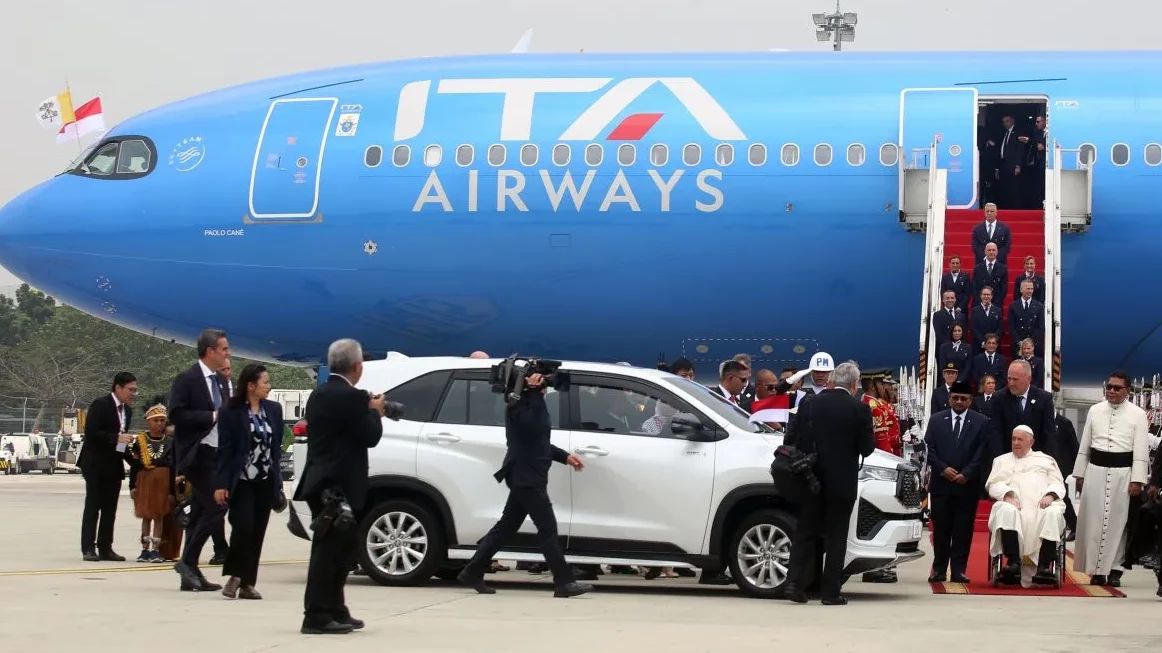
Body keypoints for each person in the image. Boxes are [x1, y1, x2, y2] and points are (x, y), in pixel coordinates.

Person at [457, 370, 593, 598]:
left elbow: (538, 442)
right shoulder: (518, 405)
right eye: (541, 380)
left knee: (506, 527)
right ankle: (563, 582)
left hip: (527, 475)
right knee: (547, 529)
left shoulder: (529, 403)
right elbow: (532, 429)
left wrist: (564, 456)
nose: (546, 385)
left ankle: (472, 571)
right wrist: (533, 393)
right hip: (526, 478)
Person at [295, 339, 388, 634]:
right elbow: (370, 435)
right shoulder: (350, 398)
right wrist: (375, 411)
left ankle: (335, 608)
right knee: (330, 554)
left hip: (321, 481)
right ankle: (317, 615)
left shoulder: (320, 393)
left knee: (339, 551)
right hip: (337, 486)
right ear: (358, 366)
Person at [783, 361, 876, 605]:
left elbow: (793, 436)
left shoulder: (810, 403)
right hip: (842, 482)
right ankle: (830, 592)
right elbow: (867, 448)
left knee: (805, 532)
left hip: (810, 477)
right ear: (855, 385)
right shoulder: (860, 409)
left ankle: (794, 583)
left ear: (833, 381)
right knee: (836, 536)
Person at [1072, 371, 1150, 587]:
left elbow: (1141, 450)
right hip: (1095, 471)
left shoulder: (1138, 414)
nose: (1111, 391)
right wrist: (1079, 474)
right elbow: (1085, 443)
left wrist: (1138, 480)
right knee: (1094, 521)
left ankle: (1115, 569)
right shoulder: (1094, 410)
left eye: (1117, 388)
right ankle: (1096, 571)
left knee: (1119, 523)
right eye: (1109, 386)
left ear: (1127, 391)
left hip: (1123, 474)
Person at [215, 364, 285, 600]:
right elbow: (224, 450)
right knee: (243, 527)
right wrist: (221, 483)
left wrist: (279, 483)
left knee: (257, 531)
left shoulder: (273, 410)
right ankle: (235, 574)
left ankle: (247, 583)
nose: (268, 386)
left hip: (265, 480)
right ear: (250, 385)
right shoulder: (230, 411)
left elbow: (276, 450)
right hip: (242, 480)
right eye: (265, 382)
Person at [170, 328, 232, 592]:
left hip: (218, 453)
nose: (228, 353)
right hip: (198, 454)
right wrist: (211, 417)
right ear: (210, 351)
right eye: (224, 349)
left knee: (199, 512)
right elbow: (177, 414)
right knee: (218, 506)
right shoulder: (187, 379)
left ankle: (189, 574)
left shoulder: (220, 381)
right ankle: (188, 561)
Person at [985, 425, 1068, 586]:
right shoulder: (1001, 460)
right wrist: (1007, 495)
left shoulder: (1045, 460)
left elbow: (1058, 483)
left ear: (1031, 442)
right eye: (1013, 439)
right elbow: (993, 484)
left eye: (1020, 439)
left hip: (1041, 505)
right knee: (1005, 510)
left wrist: (1050, 496)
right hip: (1015, 505)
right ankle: (1013, 563)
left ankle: (1044, 566)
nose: (1016, 442)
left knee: (1053, 514)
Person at [925, 381, 990, 584]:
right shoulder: (936, 421)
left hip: (966, 486)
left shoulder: (981, 422)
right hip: (941, 485)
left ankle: (959, 570)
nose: (959, 402)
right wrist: (943, 469)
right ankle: (939, 569)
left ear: (970, 400)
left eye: (963, 398)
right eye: (955, 398)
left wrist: (967, 473)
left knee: (963, 529)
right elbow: (928, 448)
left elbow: (982, 451)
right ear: (949, 398)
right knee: (941, 528)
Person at [78, 372, 138, 562]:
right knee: (93, 506)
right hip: (95, 463)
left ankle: (106, 547)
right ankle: (88, 547)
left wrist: (133, 458)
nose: (133, 394)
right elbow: (92, 433)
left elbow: (121, 440)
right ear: (118, 388)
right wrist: (116, 438)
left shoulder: (127, 411)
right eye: (130, 389)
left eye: (135, 390)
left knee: (110, 508)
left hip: (113, 464)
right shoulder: (100, 405)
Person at [126, 397, 177, 563]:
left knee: (159, 516)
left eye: (162, 420)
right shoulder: (140, 441)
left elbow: (173, 468)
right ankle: (144, 548)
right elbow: (135, 466)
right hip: (145, 480)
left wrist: (171, 491)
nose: (160, 424)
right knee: (146, 515)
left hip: (162, 481)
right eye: (156, 420)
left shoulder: (170, 442)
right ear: (149, 422)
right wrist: (132, 486)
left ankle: (156, 549)